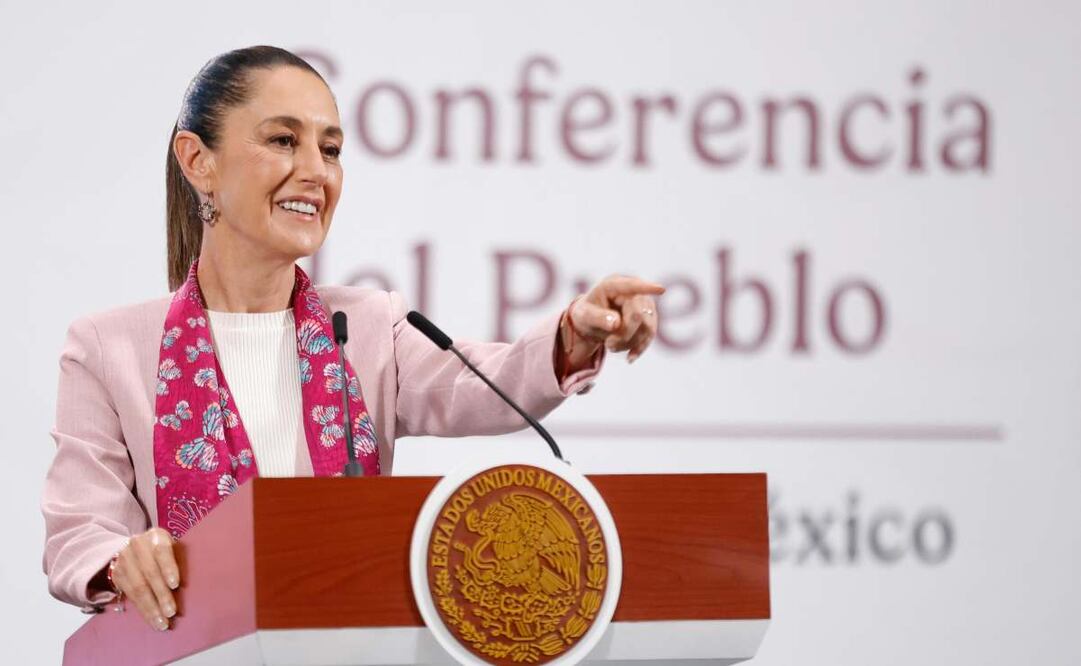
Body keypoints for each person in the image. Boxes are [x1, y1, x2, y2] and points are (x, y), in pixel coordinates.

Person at [41, 45, 663, 633]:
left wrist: (576, 334)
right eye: (284, 140)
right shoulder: (108, 346)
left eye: (331, 149)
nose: (316, 171)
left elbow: (490, 385)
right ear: (197, 160)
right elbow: (79, 533)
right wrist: (126, 558)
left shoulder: (364, 328)